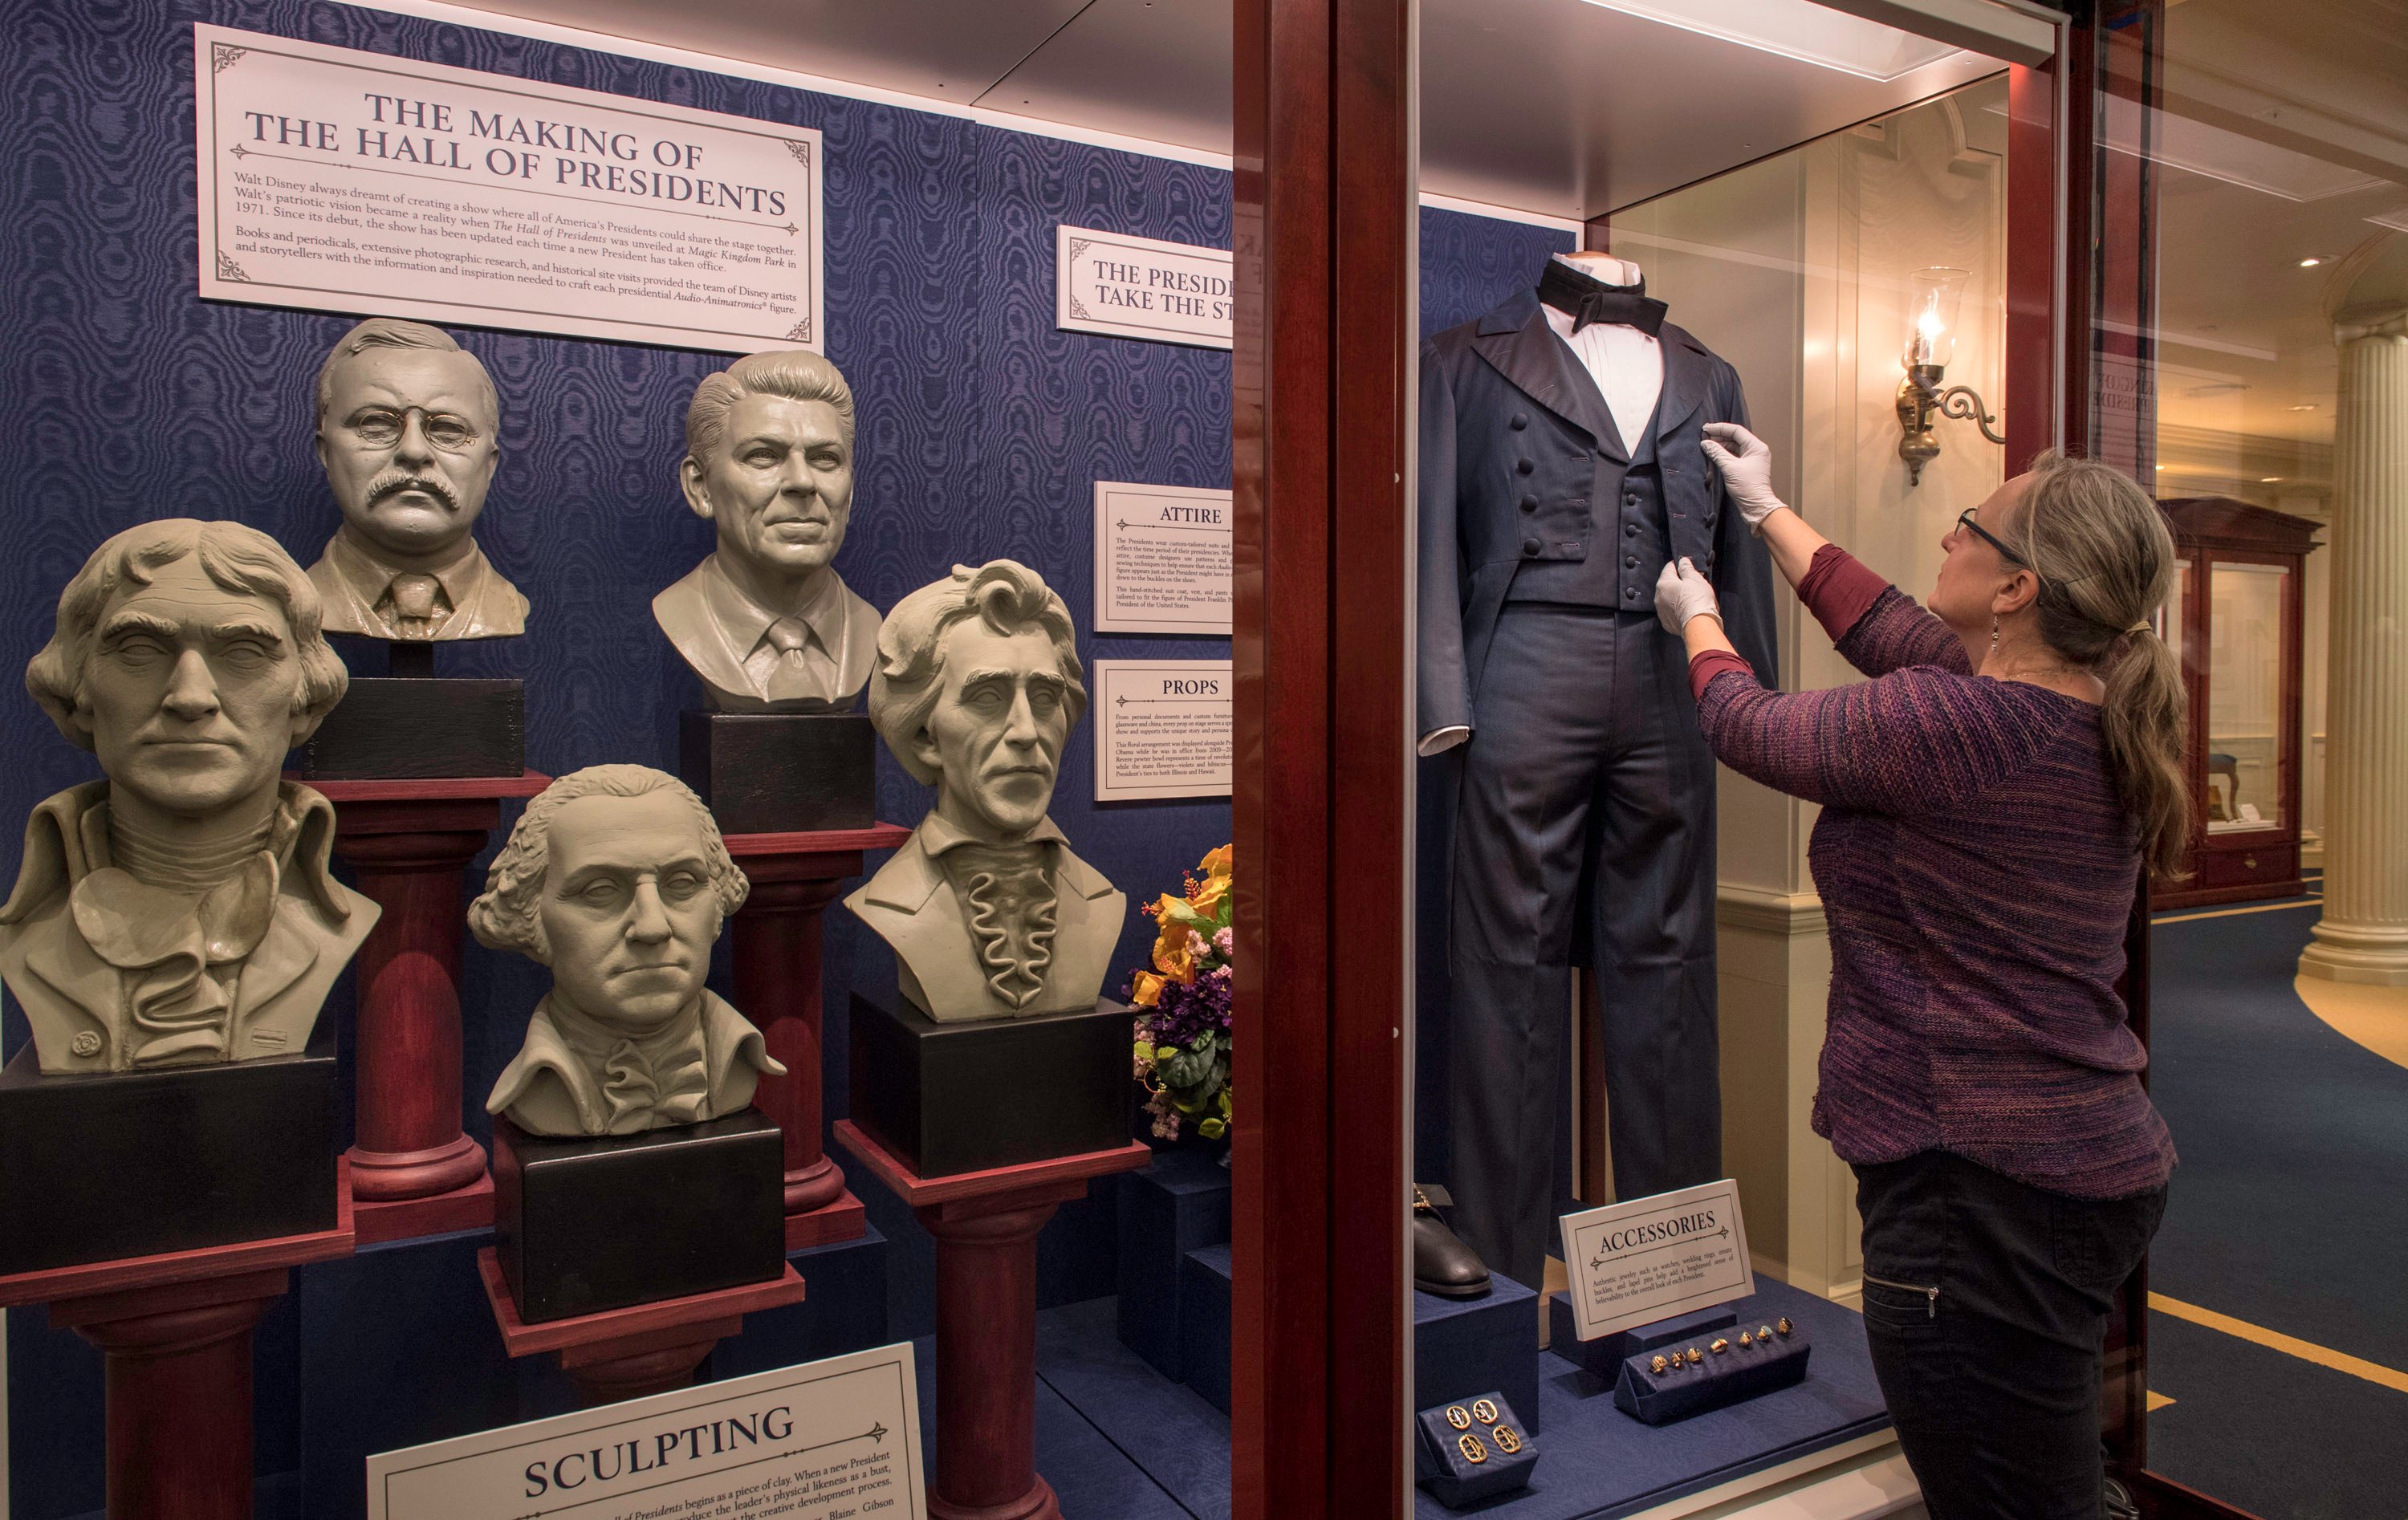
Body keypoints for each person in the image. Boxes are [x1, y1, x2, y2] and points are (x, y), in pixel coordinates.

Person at [1653, 425, 2180, 1519]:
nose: (1947, 533)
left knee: (2007, 1500)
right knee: (2056, 1475)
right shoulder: (2069, 705)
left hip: (1978, 1200)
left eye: (1971, 527)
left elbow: (1750, 725)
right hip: (2069, 1170)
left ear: (2018, 590)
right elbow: (1888, 623)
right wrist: (1765, 508)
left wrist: (1696, 619)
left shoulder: (1959, 723)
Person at [2, 520, 371, 1072]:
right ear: (77, 692)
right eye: (139, 649)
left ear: (306, 699)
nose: (191, 697)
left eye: (245, 651)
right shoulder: (24, 935)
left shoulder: (346, 925)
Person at [846, 560, 1124, 1022]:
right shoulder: (889, 905)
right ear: (925, 737)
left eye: (1044, 699)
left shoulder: (1101, 900)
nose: (1026, 732)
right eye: (987, 698)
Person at [471, 765, 781, 1137]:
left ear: (717, 904)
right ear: (530, 915)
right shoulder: (539, 1098)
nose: (652, 928)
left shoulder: (742, 1071)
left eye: (682, 883)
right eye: (599, 890)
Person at [653, 350, 881, 711]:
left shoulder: (873, 632)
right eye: (764, 455)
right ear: (701, 487)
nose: (803, 482)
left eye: (825, 459)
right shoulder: (682, 617)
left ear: (850, 493)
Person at [305, 318, 529, 640]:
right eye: (377, 423)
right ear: (325, 452)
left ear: (490, 464)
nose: (413, 450)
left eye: (448, 429)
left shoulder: (508, 608)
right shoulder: (298, 601)